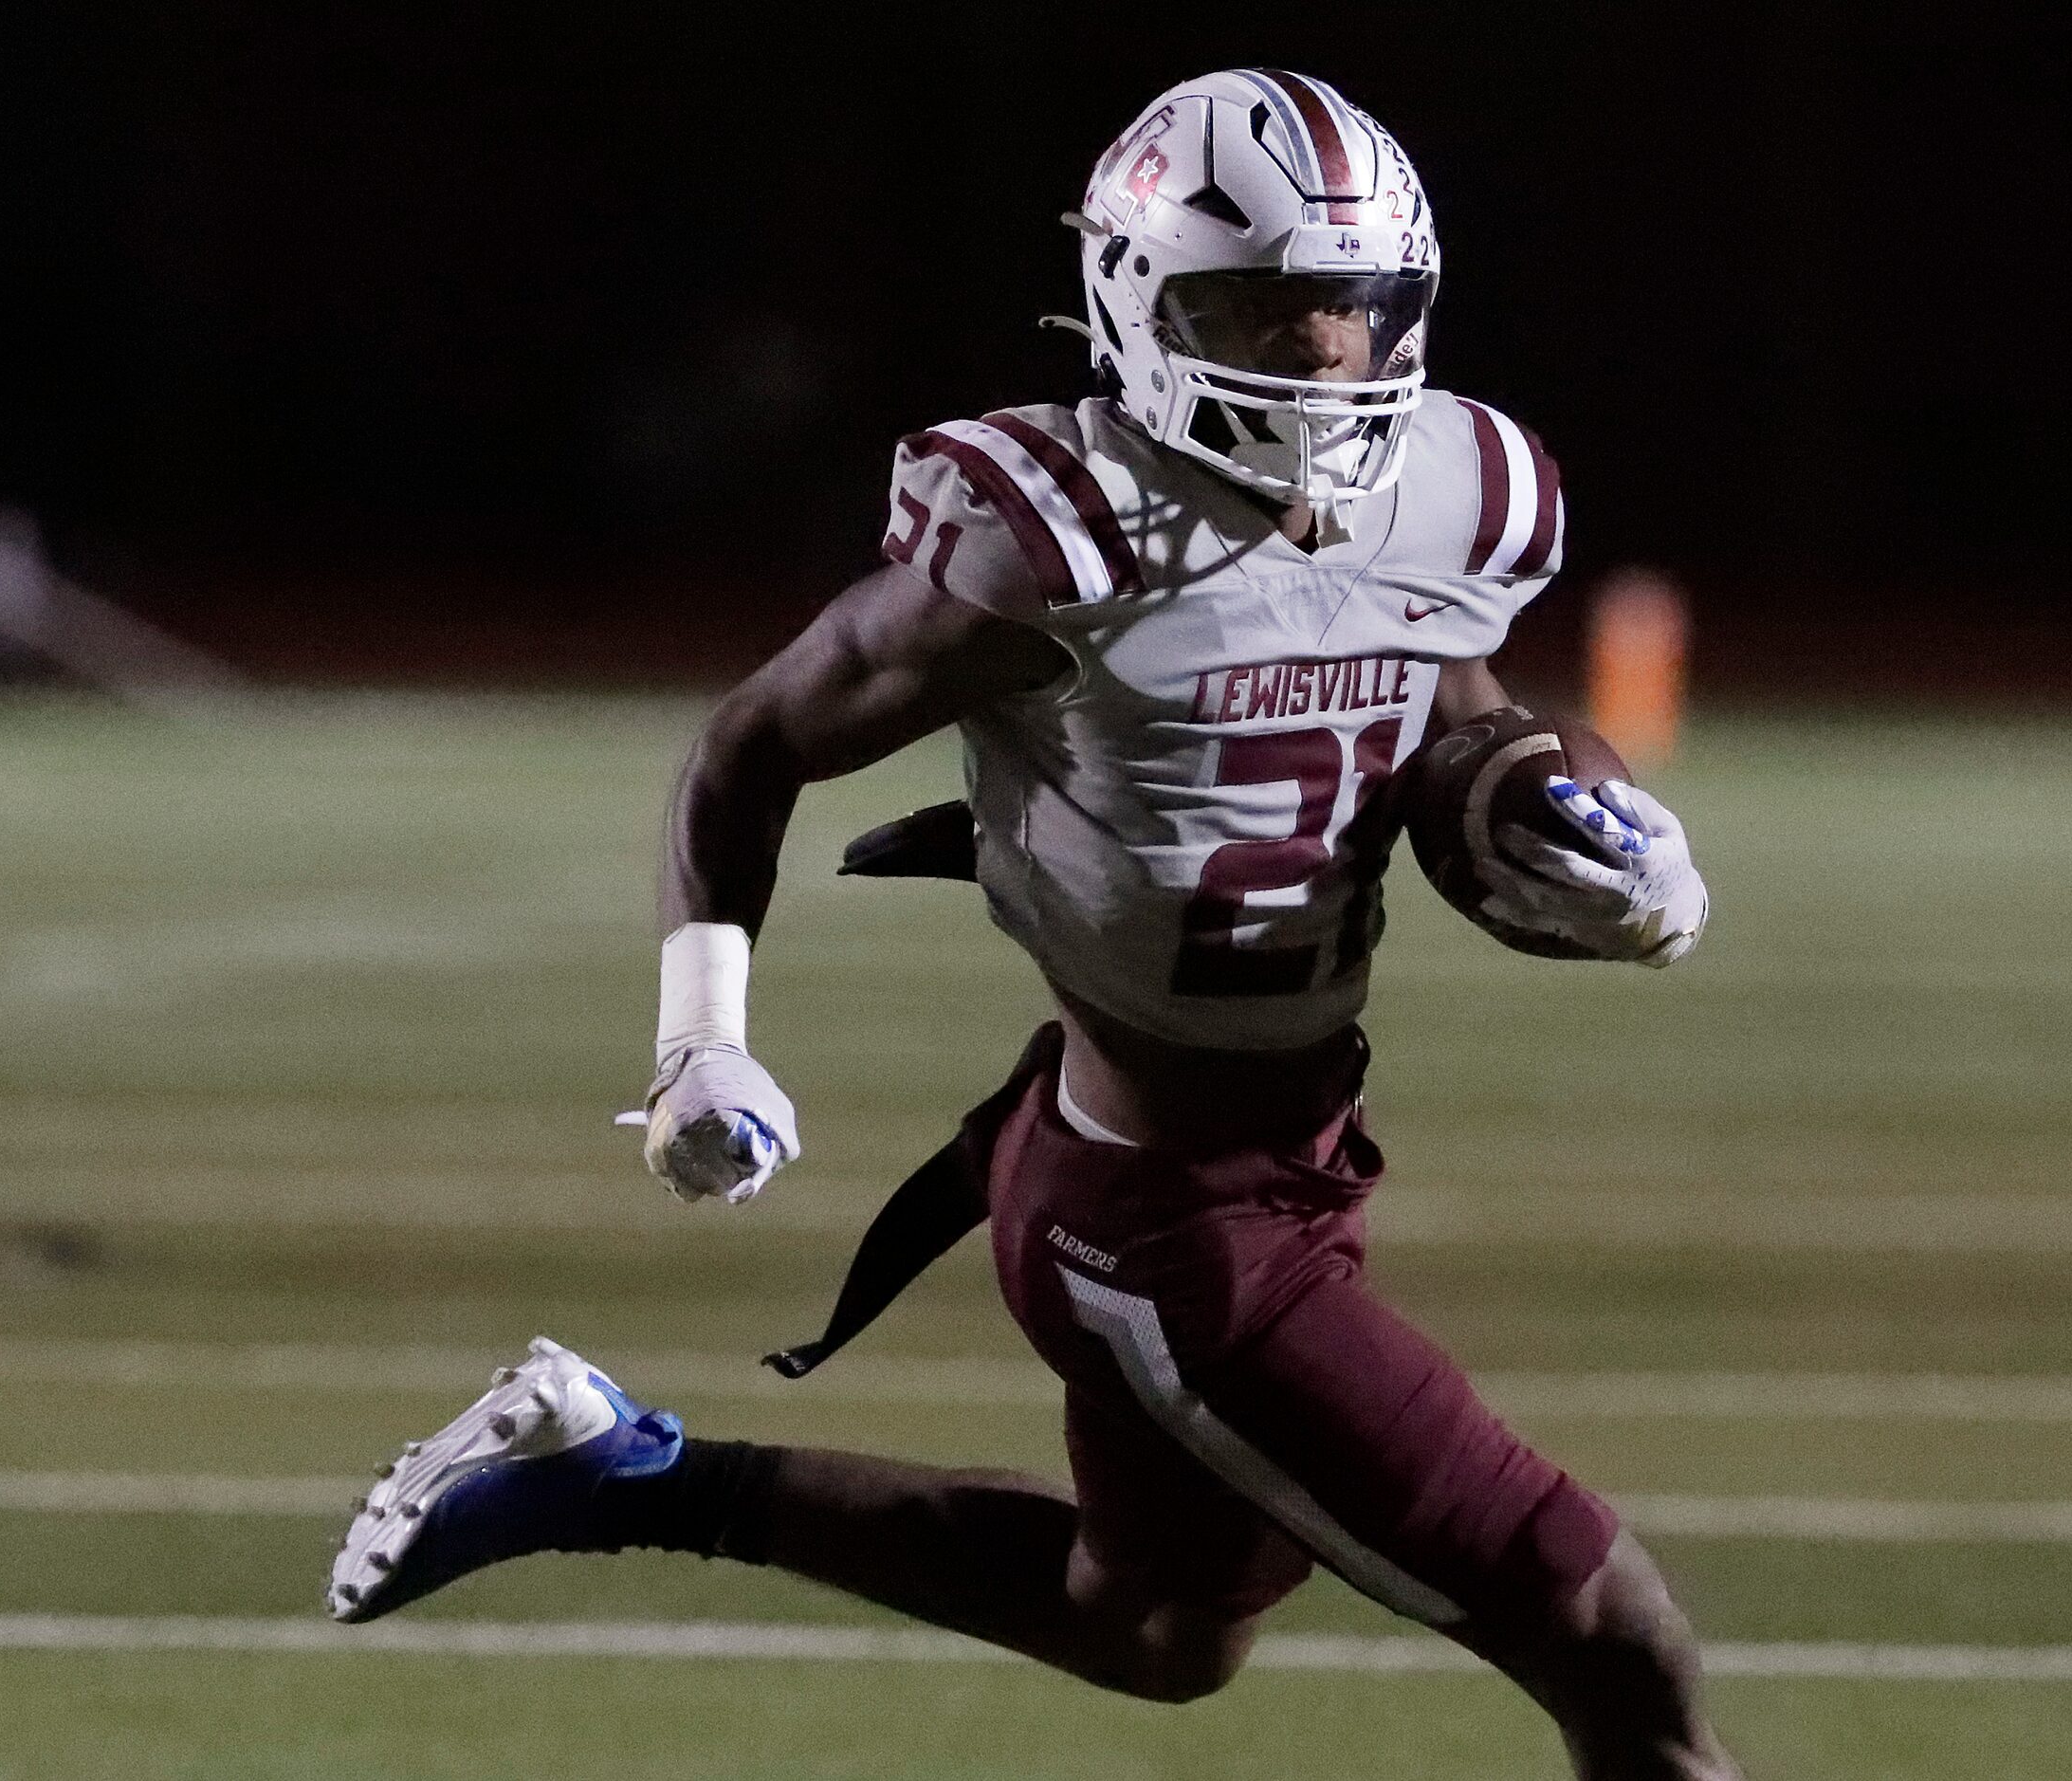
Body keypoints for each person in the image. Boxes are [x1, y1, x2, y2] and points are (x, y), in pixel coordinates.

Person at [329, 69, 1733, 1780]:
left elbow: (1450, 712)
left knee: (1153, 1628)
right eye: (1254, 313)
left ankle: (614, 1467)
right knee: (1620, 1650)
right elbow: (749, 744)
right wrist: (702, 1036)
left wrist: (1583, 811)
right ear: (1139, 305)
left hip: (1268, 1159)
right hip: (1168, 1230)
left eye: (1350, 314)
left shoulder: (1455, 489)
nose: (1313, 360)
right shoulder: (1051, 542)